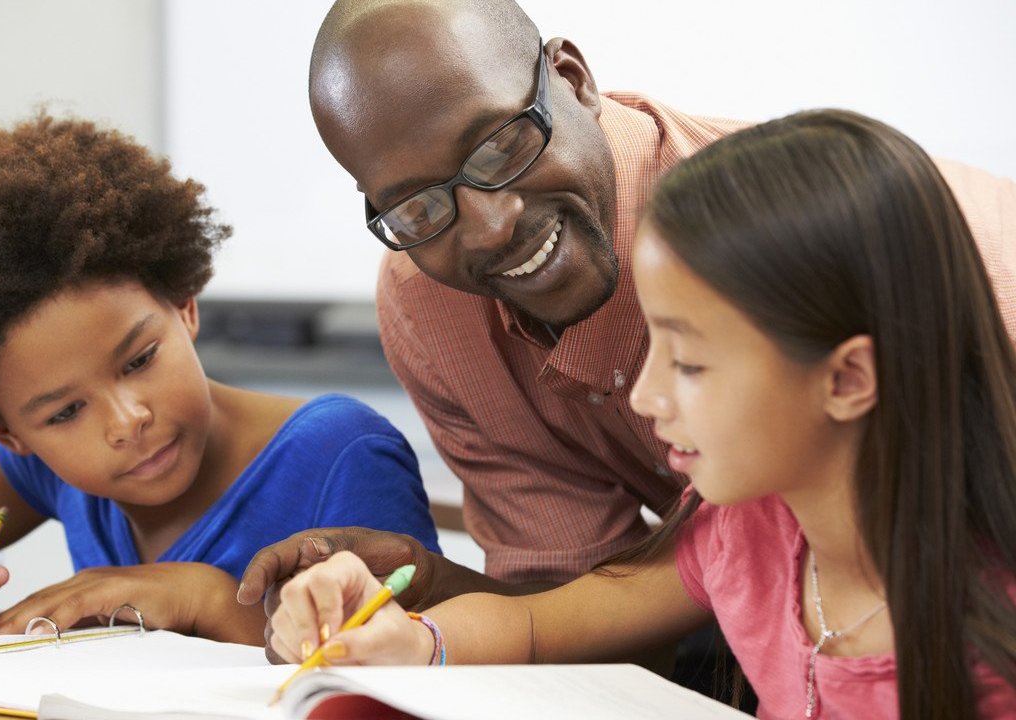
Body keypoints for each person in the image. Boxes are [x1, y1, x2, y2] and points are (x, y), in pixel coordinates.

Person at [238, 0, 1016, 618]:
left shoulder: (844, 251)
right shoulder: (429, 307)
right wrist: (433, 590)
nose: (490, 224)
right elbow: (581, 610)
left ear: (574, 80)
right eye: (415, 206)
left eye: (502, 146)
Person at [266, 109, 1016, 719]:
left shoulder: (990, 632)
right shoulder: (750, 531)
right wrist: (414, 640)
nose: (647, 396)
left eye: (688, 363)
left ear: (848, 377)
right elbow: (540, 623)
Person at [0, 114, 440, 645]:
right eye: (63, 413)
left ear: (184, 304)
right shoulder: (42, 469)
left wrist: (201, 600)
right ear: (10, 431)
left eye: (140, 359)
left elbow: (407, 658)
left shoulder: (339, 453)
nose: (126, 422)